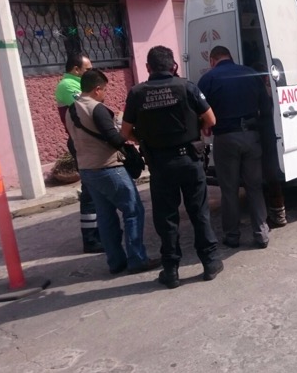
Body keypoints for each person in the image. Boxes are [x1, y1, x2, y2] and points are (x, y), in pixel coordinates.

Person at [120, 46, 222, 289]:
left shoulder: (137, 93)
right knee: (199, 213)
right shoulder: (187, 87)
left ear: (148, 67)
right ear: (173, 65)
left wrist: (144, 139)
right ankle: (210, 263)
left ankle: (171, 271)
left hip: (160, 164)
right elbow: (211, 119)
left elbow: (125, 132)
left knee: (166, 218)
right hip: (189, 160)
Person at [66, 69, 159, 275]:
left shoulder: (71, 110)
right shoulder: (97, 109)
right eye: (104, 90)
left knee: (105, 216)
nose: (105, 94)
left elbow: (72, 142)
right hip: (108, 168)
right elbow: (115, 140)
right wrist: (124, 130)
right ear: (97, 89)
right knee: (133, 211)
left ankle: (115, 262)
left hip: (87, 169)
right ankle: (137, 259)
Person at [197, 46, 271, 249]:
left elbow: (199, 111)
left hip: (225, 138)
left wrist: (205, 127)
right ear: (230, 57)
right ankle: (261, 233)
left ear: (212, 60)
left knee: (229, 189)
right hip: (252, 135)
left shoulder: (208, 79)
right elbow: (266, 107)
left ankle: (232, 235)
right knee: (254, 187)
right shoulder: (250, 73)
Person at [54, 52, 103, 254]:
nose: (92, 72)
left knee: (98, 187)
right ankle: (90, 239)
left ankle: (100, 232)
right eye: (88, 69)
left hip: (89, 142)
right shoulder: (68, 85)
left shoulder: (78, 85)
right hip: (81, 142)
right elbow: (88, 107)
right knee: (90, 188)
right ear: (76, 70)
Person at [251, 62, 287, 228]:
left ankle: (277, 214)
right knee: (270, 177)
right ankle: (278, 213)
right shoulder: (269, 90)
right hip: (269, 136)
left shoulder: (262, 91)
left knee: (268, 177)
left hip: (265, 136)